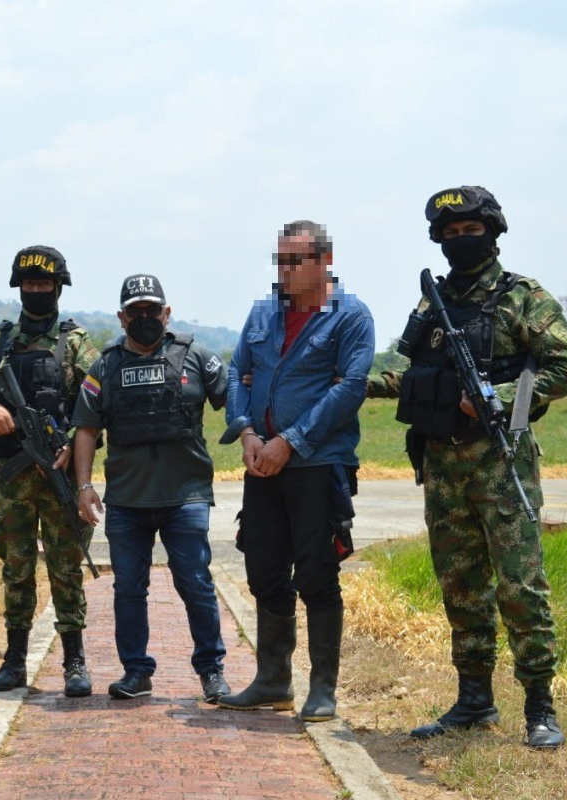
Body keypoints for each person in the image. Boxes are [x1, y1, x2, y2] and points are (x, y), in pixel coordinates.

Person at [369, 187, 567, 749]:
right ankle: (474, 701)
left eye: (472, 228)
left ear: (493, 230)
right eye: (451, 232)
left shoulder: (523, 297)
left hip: (500, 460)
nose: (463, 239)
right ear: (439, 238)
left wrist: (500, 394)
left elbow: (564, 369)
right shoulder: (430, 302)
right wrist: (354, 384)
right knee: (460, 586)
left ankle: (540, 705)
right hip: (442, 463)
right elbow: (410, 373)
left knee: (520, 587)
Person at [217, 221, 374, 722]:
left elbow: (349, 389)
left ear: (324, 261)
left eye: (294, 261)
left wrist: (292, 441)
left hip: (317, 465)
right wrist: (246, 433)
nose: (283, 271)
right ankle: (272, 681)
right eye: (279, 261)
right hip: (262, 462)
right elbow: (237, 373)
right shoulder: (263, 312)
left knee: (316, 573)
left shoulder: (351, 317)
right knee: (263, 569)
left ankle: (322, 689)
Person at [72, 274, 231, 702]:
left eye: (153, 310)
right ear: (122, 316)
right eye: (136, 311)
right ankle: (136, 672)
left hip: (187, 496)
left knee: (195, 583)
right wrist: (85, 486)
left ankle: (211, 671)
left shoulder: (196, 356)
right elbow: (85, 430)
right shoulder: (104, 367)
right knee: (127, 588)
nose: (145, 318)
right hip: (126, 500)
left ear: (168, 312)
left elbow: (235, 400)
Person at [0, 245, 99, 697]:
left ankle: (74, 662)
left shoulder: (75, 343)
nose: (37, 291)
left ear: (58, 288)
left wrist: (73, 458)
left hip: (56, 471)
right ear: (19, 288)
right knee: (15, 567)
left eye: (45, 285)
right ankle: (15, 660)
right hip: (13, 475)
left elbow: (95, 409)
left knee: (65, 566)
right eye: (30, 285)